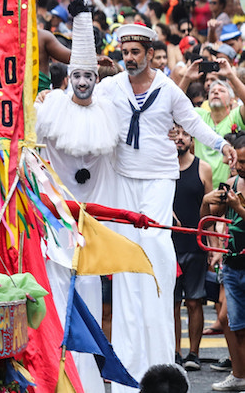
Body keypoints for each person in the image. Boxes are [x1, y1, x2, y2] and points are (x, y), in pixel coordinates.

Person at [96, 24, 236, 393]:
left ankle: (162, 351)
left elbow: (191, 122)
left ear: (148, 52)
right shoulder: (111, 87)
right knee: (127, 263)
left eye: (134, 53)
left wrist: (221, 144)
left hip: (159, 178)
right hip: (123, 177)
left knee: (157, 255)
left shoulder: (167, 88)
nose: (128, 59)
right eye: (124, 53)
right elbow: (84, 102)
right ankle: (127, 357)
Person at [35, 0, 120, 393]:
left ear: (95, 78)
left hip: (89, 220)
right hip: (54, 218)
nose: (83, 81)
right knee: (54, 295)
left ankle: (85, 377)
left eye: (89, 74)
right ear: (68, 77)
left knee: (86, 294)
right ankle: (54, 373)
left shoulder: (107, 111)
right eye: (77, 75)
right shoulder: (49, 107)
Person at [204, 134, 245, 391]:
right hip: (231, 264)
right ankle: (238, 375)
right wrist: (207, 202)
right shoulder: (232, 183)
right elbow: (208, 221)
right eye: (238, 161)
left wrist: (239, 208)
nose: (239, 166)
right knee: (231, 320)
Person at [170, 124, 213, 371]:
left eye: (186, 134)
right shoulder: (162, 166)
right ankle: (174, 351)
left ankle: (193, 354)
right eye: (177, 133)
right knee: (173, 303)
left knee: (195, 301)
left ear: (192, 139)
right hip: (168, 245)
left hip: (196, 246)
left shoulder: (203, 168)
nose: (181, 138)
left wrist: (213, 245)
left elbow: (212, 211)